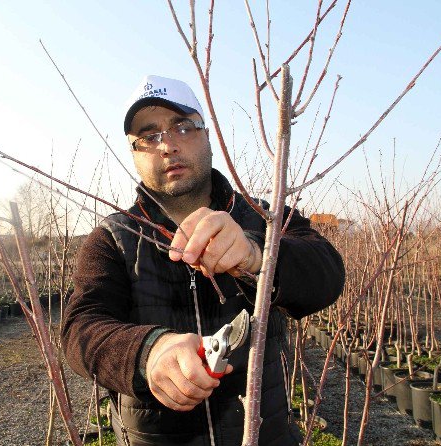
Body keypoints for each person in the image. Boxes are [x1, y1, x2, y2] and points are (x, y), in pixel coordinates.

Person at [62, 75, 345, 446]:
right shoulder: (114, 238)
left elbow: (328, 274)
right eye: (149, 136)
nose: (167, 146)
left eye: (182, 127)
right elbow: (80, 329)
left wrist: (257, 253)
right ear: (134, 153)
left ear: (207, 135)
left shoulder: (266, 219)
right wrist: (149, 351)